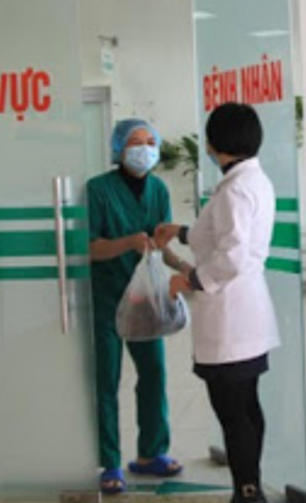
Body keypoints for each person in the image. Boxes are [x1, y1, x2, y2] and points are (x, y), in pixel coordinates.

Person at [155, 103, 280, 503]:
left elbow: (232, 257)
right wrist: (180, 232)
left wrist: (188, 279)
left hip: (231, 317)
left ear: (216, 142)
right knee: (246, 407)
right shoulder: (250, 181)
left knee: (233, 412)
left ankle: (247, 492)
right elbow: (221, 235)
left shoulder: (235, 190)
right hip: (244, 313)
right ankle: (250, 487)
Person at [87, 118, 192, 495]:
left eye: (150, 142)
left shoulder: (159, 190)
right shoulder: (98, 190)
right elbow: (90, 248)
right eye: (135, 142)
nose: (144, 149)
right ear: (119, 149)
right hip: (106, 297)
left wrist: (184, 267)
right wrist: (126, 243)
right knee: (106, 380)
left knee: (154, 373)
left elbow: (159, 246)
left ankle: (151, 453)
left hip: (145, 298)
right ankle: (109, 462)